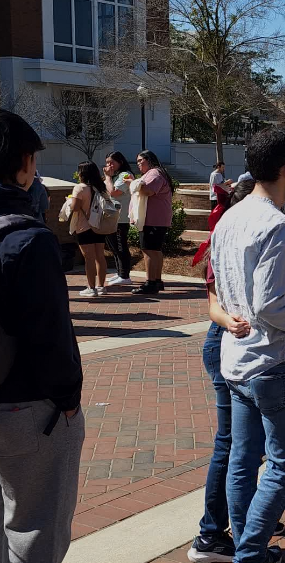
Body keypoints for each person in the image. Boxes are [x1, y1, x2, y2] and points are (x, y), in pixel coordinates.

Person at [210, 128, 285, 563]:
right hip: (273, 363)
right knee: (280, 465)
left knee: (242, 460)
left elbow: (219, 291)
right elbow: (270, 305)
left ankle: (247, 546)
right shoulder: (277, 225)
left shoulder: (230, 218)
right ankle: (251, 552)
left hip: (237, 360)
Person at [0, 109, 85, 563]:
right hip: (28, 406)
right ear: (24, 164)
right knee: (37, 531)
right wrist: (68, 397)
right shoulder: (27, 240)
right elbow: (50, 337)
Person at [186, 177, 260, 563]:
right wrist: (231, 323)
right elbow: (213, 305)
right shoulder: (227, 237)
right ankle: (211, 533)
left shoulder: (238, 235)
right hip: (226, 344)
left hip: (232, 344)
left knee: (245, 442)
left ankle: (241, 518)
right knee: (232, 442)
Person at [133, 150, 173, 295]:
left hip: (153, 219)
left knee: (148, 250)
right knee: (155, 250)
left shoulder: (155, 174)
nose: (138, 164)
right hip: (158, 218)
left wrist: (132, 183)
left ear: (149, 160)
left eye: (140, 160)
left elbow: (148, 191)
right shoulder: (157, 173)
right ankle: (156, 281)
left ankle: (150, 283)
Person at [70, 161, 111, 297]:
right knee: (100, 256)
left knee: (89, 258)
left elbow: (75, 208)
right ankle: (101, 286)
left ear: (82, 173)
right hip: (98, 225)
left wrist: (70, 202)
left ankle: (91, 288)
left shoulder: (80, 188)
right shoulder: (101, 187)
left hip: (84, 226)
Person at [103, 151, 135, 287]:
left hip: (121, 218)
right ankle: (120, 272)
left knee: (120, 246)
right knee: (114, 247)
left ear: (120, 162)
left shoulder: (125, 175)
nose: (109, 165)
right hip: (112, 217)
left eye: (112, 162)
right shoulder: (115, 176)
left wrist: (108, 178)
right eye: (107, 163)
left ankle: (125, 275)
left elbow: (113, 192)